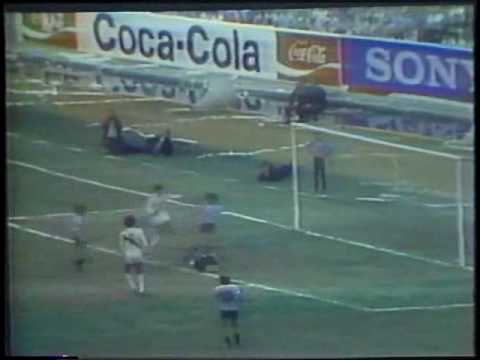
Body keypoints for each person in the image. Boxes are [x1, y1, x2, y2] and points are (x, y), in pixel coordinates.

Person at [119, 215, 149, 295]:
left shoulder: (122, 233)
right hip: (138, 254)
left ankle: (133, 287)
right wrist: (145, 250)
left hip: (128, 255)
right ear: (134, 222)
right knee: (140, 271)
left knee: (127, 271)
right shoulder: (139, 231)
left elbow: (122, 246)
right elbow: (145, 244)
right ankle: (141, 289)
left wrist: (124, 255)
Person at [214, 275, 243, 348]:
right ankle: (237, 339)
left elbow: (217, 297)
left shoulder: (217, 288)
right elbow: (238, 296)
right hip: (234, 308)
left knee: (225, 326)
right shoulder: (234, 287)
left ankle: (227, 340)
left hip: (223, 309)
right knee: (235, 325)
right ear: (229, 281)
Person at [69, 204, 88, 272]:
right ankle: (79, 262)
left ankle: (79, 262)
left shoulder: (76, 217)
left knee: (80, 249)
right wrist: (80, 237)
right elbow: (77, 229)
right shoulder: (78, 218)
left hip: (78, 236)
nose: (85, 212)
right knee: (81, 249)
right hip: (78, 236)